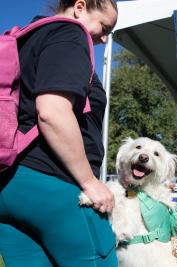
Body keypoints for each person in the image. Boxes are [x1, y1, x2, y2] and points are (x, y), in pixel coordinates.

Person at [0, 1, 118, 266]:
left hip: (9, 185)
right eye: (104, 27)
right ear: (79, 7)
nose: (104, 38)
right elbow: (52, 111)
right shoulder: (69, 33)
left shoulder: (24, 38)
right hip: (54, 186)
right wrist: (89, 182)